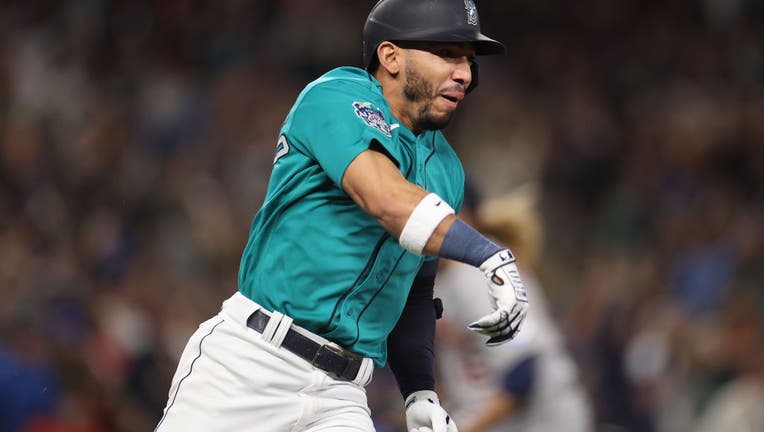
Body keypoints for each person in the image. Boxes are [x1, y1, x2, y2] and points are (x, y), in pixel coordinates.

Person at [154, 1, 529, 431]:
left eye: (468, 60)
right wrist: (488, 254)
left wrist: (419, 391)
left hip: (341, 394)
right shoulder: (334, 96)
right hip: (249, 366)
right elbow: (385, 199)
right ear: (390, 57)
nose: (464, 73)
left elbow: (414, 292)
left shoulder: (446, 168)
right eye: (448, 54)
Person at [435, 183, 593, 432]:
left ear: (460, 215)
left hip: (545, 418)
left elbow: (523, 369)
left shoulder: (478, 273)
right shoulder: (447, 278)